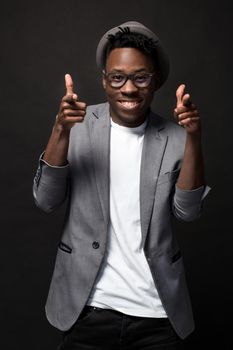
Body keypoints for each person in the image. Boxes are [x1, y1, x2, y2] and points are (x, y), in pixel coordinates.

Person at [33, 21, 210, 350]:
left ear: (154, 81)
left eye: (140, 77)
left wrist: (194, 139)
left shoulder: (174, 137)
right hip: (88, 308)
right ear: (104, 80)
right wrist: (60, 130)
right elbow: (46, 200)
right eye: (118, 77)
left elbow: (187, 212)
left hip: (157, 314)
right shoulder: (78, 125)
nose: (129, 88)